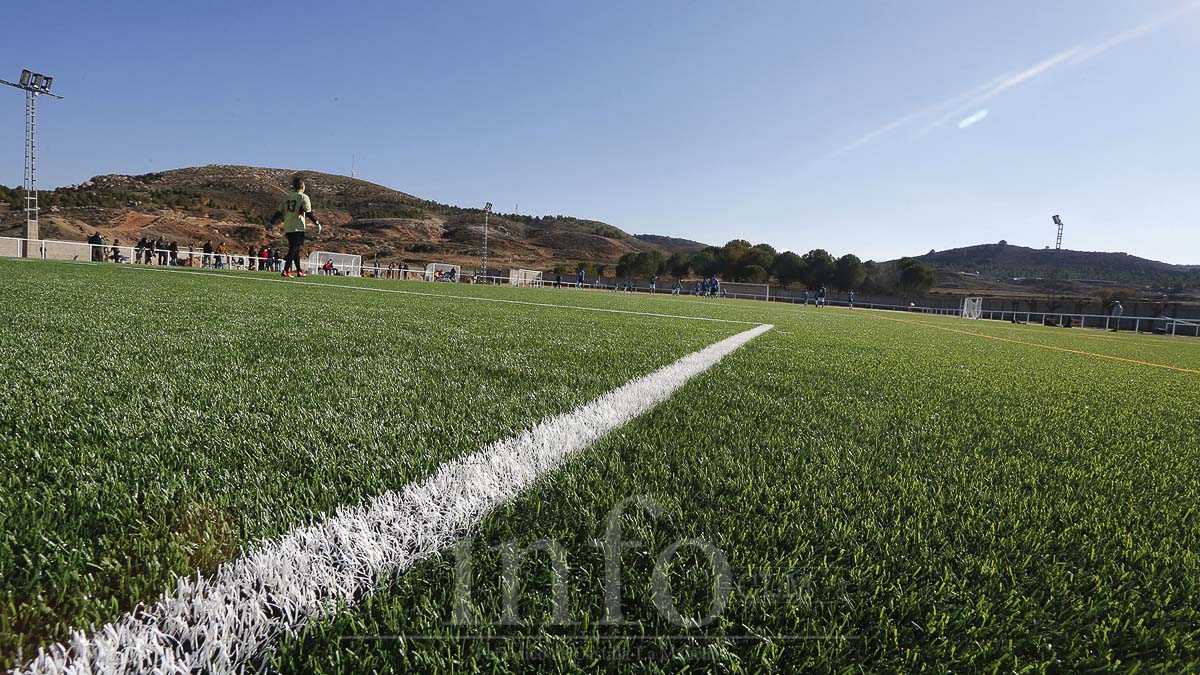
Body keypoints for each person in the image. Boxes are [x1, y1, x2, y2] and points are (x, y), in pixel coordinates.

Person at [271, 174, 323, 277]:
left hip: (288, 226)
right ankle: (286, 270)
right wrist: (316, 222)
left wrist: (271, 221)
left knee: (295, 248)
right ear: (303, 187)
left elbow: (279, 211)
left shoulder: (288, 197)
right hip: (298, 226)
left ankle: (299, 270)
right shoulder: (303, 197)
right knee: (294, 248)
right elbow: (308, 212)